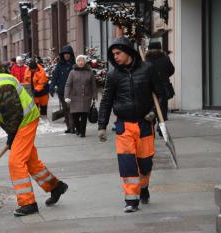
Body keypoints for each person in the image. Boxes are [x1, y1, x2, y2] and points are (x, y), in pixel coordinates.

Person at [0, 61, 69, 217]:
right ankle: (55, 187)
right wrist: (11, 134)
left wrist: (12, 136)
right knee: (30, 161)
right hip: (19, 123)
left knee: (16, 162)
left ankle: (28, 203)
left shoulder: (0, 86)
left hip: (25, 120)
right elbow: (5, 114)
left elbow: (15, 113)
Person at [98, 37, 166, 213]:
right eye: (113, 54)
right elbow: (106, 101)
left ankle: (143, 187)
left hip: (145, 124)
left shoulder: (147, 69)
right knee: (127, 163)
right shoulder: (113, 75)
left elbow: (161, 93)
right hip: (124, 126)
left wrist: (153, 111)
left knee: (145, 163)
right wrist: (101, 125)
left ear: (128, 51)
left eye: (118, 53)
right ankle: (131, 200)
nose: (116, 57)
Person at [145, 41, 175, 135]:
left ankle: (151, 129)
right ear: (160, 48)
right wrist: (164, 76)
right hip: (163, 86)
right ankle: (161, 127)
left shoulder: (146, 59)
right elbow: (171, 70)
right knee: (163, 107)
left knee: (150, 108)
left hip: (150, 88)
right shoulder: (165, 58)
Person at [64, 55, 97, 137]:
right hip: (74, 97)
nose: (81, 62)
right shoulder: (72, 72)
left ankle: (82, 132)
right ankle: (78, 129)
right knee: (75, 116)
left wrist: (94, 97)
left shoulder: (90, 72)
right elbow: (68, 85)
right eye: (79, 61)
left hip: (86, 97)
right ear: (76, 62)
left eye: (82, 61)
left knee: (84, 116)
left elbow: (93, 85)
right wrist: (66, 96)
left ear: (85, 62)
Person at [50, 45, 76, 133]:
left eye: (68, 54)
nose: (66, 56)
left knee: (72, 109)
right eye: (65, 54)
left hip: (73, 91)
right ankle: (69, 127)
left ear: (71, 54)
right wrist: (52, 86)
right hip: (62, 91)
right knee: (66, 109)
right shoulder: (59, 65)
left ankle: (73, 127)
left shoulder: (75, 65)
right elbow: (54, 77)